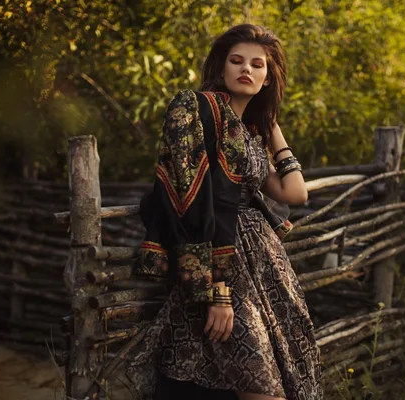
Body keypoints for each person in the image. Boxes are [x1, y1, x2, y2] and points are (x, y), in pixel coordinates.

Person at [127, 24, 323, 400]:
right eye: (237, 61)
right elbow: (194, 198)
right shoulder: (195, 109)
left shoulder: (248, 133)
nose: (246, 69)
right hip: (224, 267)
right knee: (261, 388)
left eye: (258, 65)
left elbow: (295, 192)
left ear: (267, 78)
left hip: (265, 269)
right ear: (222, 68)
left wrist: (270, 124)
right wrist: (218, 291)